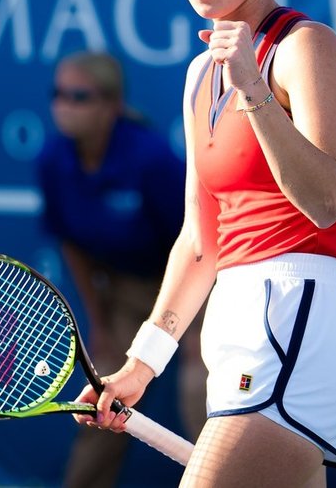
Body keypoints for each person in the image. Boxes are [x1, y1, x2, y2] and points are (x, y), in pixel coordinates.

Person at [75, 0, 336, 487]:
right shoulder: (199, 76)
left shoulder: (305, 48)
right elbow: (200, 242)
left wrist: (255, 92)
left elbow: (327, 200)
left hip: (297, 321)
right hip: (236, 333)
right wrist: (143, 362)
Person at [36, 50, 208, 487]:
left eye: (79, 96)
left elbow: (200, 239)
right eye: (59, 94)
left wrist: (192, 332)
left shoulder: (151, 159)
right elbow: (72, 244)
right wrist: (98, 321)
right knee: (101, 403)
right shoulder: (53, 160)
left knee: (201, 393)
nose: (64, 106)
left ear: (111, 104)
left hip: (195, 286)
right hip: (125, 292)